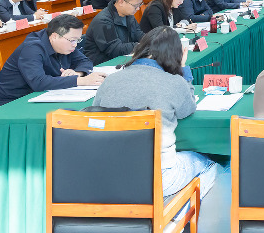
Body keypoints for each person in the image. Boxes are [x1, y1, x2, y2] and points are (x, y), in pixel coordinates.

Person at [92, 27, 222, 205]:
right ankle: (178, 214)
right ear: (176, 54)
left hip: (106, 175)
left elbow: (96, 112)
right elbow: (188, 109)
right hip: (158, 178)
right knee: (211, 161)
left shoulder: (110, 80)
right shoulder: (175, 82)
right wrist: (183, 71)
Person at [0, 14, 104, 108]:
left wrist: (78, 73)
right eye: (72, 40)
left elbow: (85, 61)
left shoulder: (65, 44)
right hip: (13, 104)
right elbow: (38, 82)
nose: (75, 45)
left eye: (77, 40)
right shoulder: (32, 48)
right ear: (54, 36)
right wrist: (80, 81)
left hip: (43, 96)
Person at [83, 0, 145, 65]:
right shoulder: (103, 21)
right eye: (135, 6)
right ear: (121, 2)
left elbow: (138, 34)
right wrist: (140, 45)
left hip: (122, 59)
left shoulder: (128, 15)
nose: (138, 8)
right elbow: (114, 49)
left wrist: (150, 40)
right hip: (103, 64)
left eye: (140, 5)